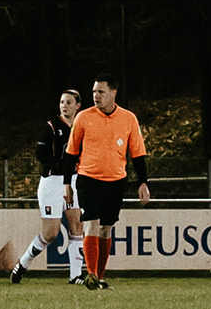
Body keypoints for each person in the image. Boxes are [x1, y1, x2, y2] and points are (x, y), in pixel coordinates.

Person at [64, 80, 149, 291]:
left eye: (101, 91)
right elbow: (71, 152)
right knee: (91, 223)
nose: (96, 95)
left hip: (116, 181)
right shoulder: (84, 117)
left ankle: (99, 278)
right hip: (88, 179)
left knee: (106, 228)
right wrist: (67, 183)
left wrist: (143, 182)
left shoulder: (128, 118)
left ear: (113, 93)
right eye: (94, 91)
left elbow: (137, 153)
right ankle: (91, 274)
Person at [24, 88, 81, 280]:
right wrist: (58, 164)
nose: (64, 105)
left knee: (76, 226)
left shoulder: (81, 126)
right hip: (52, 182)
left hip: (73, 180)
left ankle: (75, 275)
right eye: (62, 102)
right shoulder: (52, 126)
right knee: (51, 233)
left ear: (77, 105)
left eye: (69, 102)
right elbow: (41, 153)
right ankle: (23, 262)